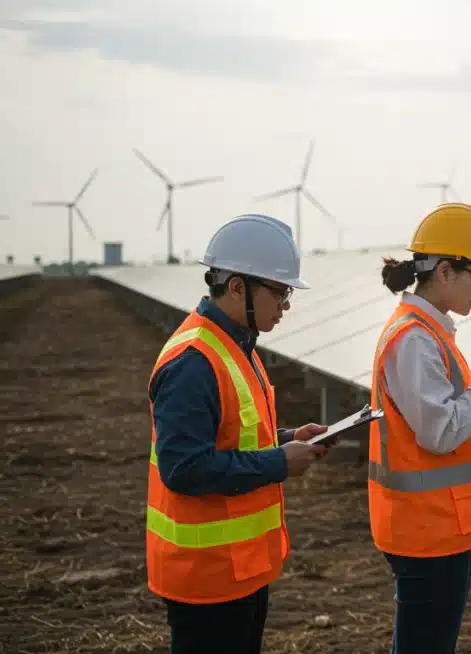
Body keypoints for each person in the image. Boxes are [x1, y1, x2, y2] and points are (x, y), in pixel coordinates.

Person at [145, 213, 333, 654]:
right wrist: (279, 462)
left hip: (238, 571)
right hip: (207, 579)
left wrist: (286, 439)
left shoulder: (236, 345)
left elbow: (234, 436)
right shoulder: (194, 361)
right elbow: (184, 468)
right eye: (281, 291)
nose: (286, 305)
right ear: (236, 288)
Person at [367, 202, 471, 654]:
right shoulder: (416, 339)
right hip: (426, 529)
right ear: (444, 271)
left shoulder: (426, 331)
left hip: (433, 524)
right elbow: (439, 433)